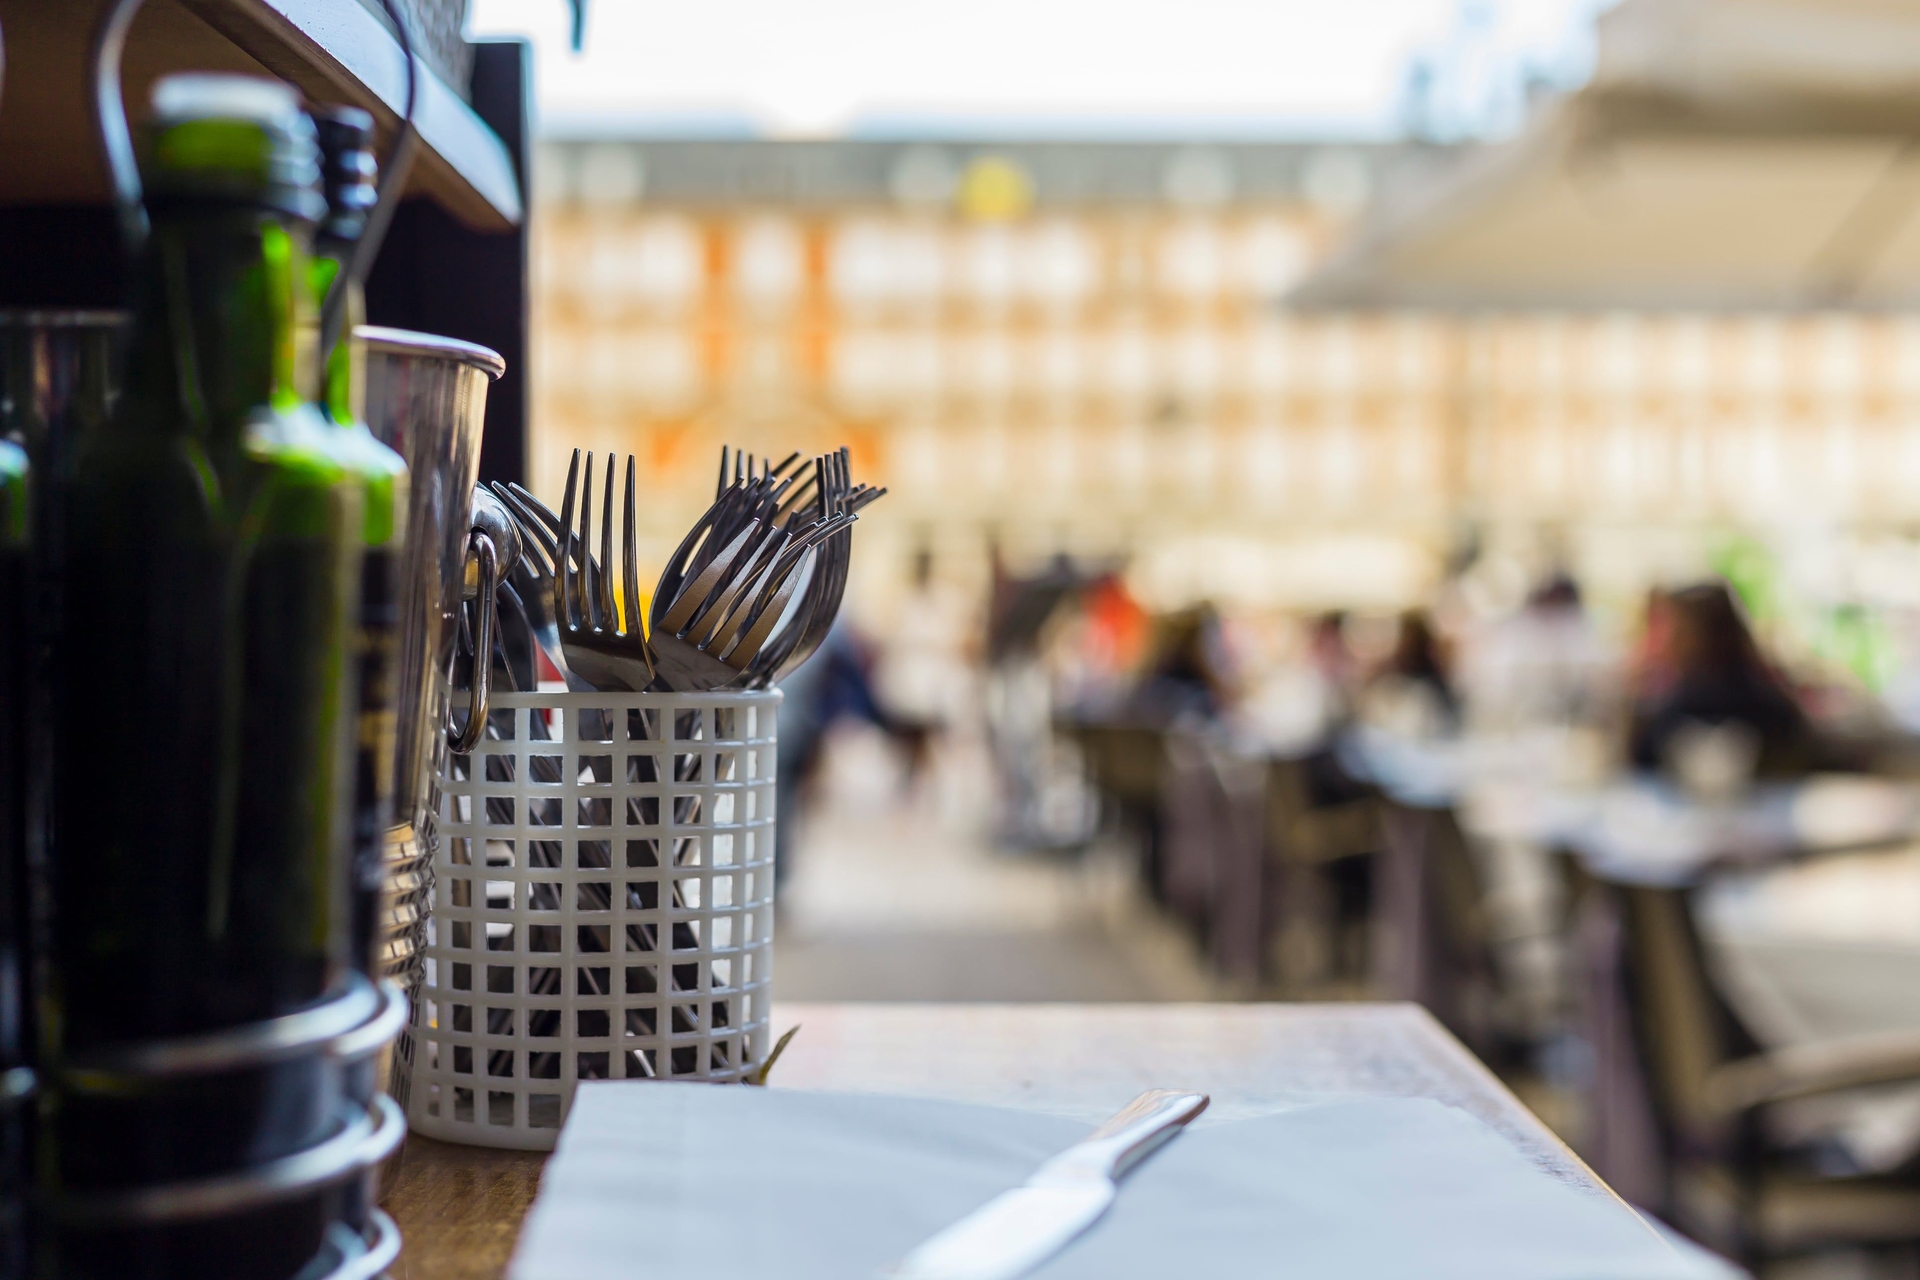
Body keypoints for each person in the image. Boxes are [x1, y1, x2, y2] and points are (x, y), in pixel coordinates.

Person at [1628, 581, 1815, 779]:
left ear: (1710, 634)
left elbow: (1643, 758)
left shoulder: (1705, 700)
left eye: (1679, 630)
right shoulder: (1763, 690)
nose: (1670, 641)